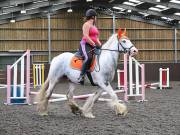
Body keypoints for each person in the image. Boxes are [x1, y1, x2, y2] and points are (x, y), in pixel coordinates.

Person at [78, 9, 102, 84]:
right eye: (96, 17)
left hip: (93, 45)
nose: (96, 18)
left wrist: (100, 45)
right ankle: (81, 76)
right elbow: (86, 36)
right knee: (89, 57)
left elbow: (96, 37)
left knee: (98, 58)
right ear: (93, 17)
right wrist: (93, 43)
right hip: (85, 44)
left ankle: (92, 80)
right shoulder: (86, 25)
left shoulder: (94, 26)